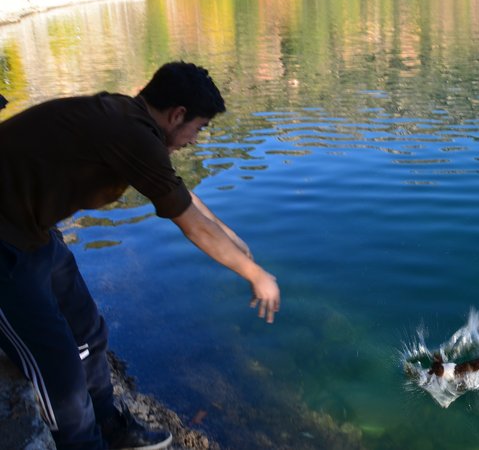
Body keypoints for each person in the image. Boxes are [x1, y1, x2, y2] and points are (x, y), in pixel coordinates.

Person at [0, 62, 280, 450]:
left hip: (32, 232)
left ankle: (112, 429)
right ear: (177, 115)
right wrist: (255, 274)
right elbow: (192, 225)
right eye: (198, 128)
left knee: (88, 332)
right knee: (58, 370)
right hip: (6, 244)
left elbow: (177, 192)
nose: (195, 140)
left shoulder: (128, 119)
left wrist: (232, 238)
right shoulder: (132, 135)